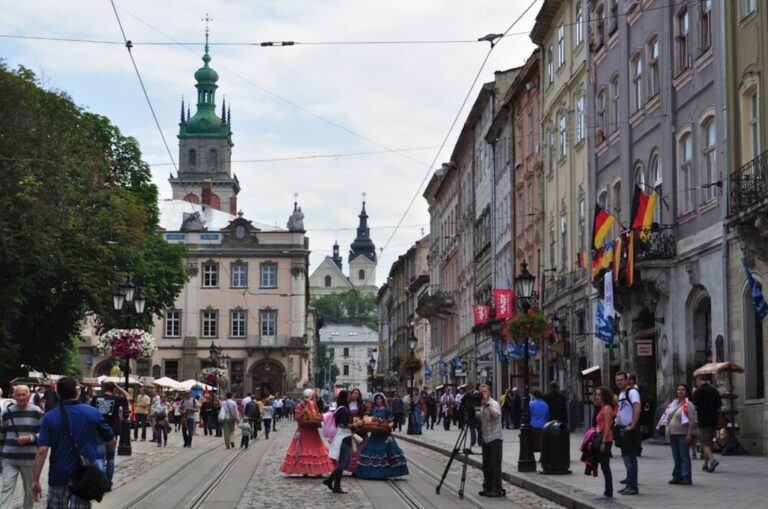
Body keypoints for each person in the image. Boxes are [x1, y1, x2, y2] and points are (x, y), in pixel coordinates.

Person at [31, 377, 115, 509]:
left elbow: (42, 451)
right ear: (77, 392)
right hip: (83, 477)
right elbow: (111, 441)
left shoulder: (49, 417)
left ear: (58, 394)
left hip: (58, 475)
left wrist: (35, 480)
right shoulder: (92, 413)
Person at [1, 385, 43, 509]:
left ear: (29, 396)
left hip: (29, 459)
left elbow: (44, 435)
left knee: (29, 491)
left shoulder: (37, 412)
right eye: (18, 395)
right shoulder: (7, 412)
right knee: (6, 489)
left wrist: (29, 438)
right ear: (13, 396)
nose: (20, 397)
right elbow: (2, 435)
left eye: (23, 394)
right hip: (9, 458)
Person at [279, 388, 335, 476]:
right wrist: (303, 411)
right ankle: (304, 470)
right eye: (312, 396)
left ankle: (318, 470)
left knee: (316, 449)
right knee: (303, 449)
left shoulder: (314, 405)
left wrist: (320, 417)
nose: (313, 398)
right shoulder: (300, 405)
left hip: (312, 429)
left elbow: (316, 415)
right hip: (303, 430)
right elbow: (297, 418)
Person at [356, 393, 408, 479]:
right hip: (375, 433)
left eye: (380, 399)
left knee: (387, 452)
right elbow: (369, 419)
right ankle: (372, 473)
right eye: (377, 399)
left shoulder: (387, 410)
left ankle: (388, 472)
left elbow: (391, 421)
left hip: (385, 434)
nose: (378, 401)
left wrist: (390, 425)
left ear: (383, 400)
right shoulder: (374, 410)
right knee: (372, 452)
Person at [90, 381, 129, 490]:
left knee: (99, 458)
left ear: (103, 388)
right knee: (111, 458)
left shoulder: (96, 398)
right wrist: (118, 387)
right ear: (114, 389)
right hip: (112, 431)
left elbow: (92, 411)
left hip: (99, 430)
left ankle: (102, 483)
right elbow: (128, 396)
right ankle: (108, 483)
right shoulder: (116, 399)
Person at [658, 384, 696, 485]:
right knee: (676, 456)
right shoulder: (674, 403)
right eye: (678, 390)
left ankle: (686, 477)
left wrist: (689, 434)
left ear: (687, 392)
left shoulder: (689, 405)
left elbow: (692, 421)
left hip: (683, 433)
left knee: (684, 456)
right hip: (673, 433)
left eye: (683, 390)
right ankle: (677, 476)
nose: (680, 391)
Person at [323, 390, 358, 494]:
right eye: (349, 395)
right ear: (345, 397)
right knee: (343, 462)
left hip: (344, 436)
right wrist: (353, 425)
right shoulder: (343, 409)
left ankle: (329, 481)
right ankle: (336, 486)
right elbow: (342, 424)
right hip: (343, 437)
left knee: (344, 462)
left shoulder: (341, 408)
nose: (351, 396)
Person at [615, 371, 641, 495]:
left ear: (626, 380)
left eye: (621, 380)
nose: (620, 382)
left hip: (629, 430)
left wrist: (632, 425)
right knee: (626, 459)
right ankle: (629, 484)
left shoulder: (632, 392)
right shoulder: (621, 394)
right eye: (617, 380)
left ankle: (632, 486)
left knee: (630, 459)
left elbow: (637, 408)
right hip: (622, 429)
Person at [476, 384, 504, 498]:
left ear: (489, 392)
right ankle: (487, 487)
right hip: (486, 438)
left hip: (495, 438)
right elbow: (480, 416)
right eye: (481, 392)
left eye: (485, 392)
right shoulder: (480, 405)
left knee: (495, 465)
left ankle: (497, 489)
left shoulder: (493, 403)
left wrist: (487, 405)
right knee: (486, 465)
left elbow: (496, 415)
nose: (483, 394)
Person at [691, 374, 722, 473]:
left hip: (703, 420)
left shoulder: (698, 392)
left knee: (703, 443)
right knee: (709, 443)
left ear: (699, 381)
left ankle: (712, 460)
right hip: (714, 420)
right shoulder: (715, 391)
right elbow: (719, 406)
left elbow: (694, 406)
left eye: (697, 381)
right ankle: (705, 464)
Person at [593, 386, 615, 500]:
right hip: (602, 438)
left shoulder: (607, 408)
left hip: (606, 439)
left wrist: (603, 442)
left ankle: (609, 492)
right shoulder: (601, 408)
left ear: (604, 396)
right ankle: (607, 491)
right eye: (596, 394)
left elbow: (607, 426)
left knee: (605, 466)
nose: (597, 397)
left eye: (599, 395)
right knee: (604, 466)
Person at [529, 390, 549, 454]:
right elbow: (547, 415)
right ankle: (542, 457)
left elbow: (529, 414)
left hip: (533, 425)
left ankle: (532, 457)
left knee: (532, 442)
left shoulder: (531, 403)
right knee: (542, 442)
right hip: (543, 425)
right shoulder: (545, 404)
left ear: (534, 396)